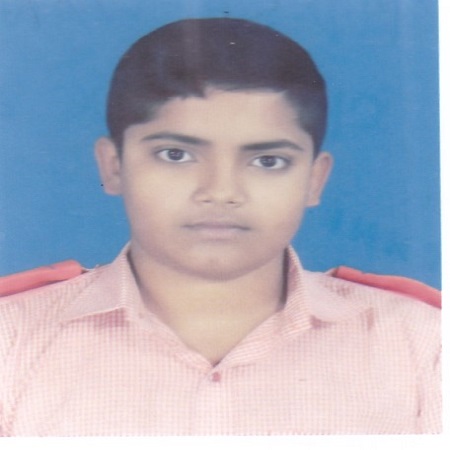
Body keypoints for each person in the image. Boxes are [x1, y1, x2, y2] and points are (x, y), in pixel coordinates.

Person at [0, 18, 440, 436]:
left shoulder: (423, 344)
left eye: (268, 161)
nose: (221, 191)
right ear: (113, 165)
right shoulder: (12, 339)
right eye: (176, 155)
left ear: (314, 179)